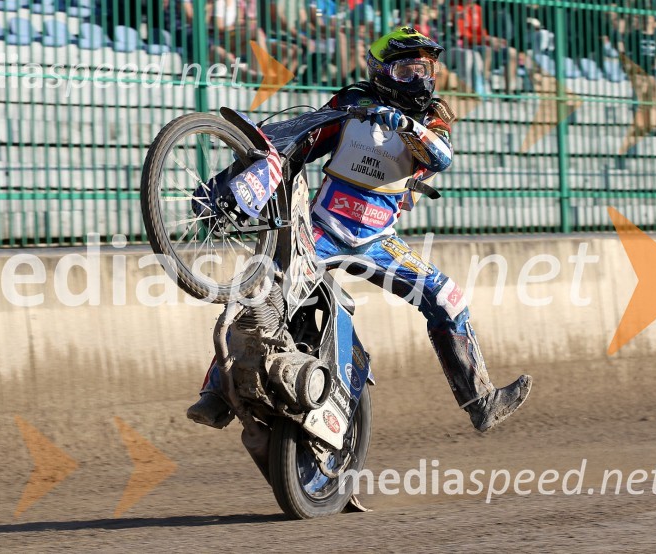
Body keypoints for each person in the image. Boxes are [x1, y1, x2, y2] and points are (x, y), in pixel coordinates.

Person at [187, 27, 533, 434]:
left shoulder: (435, 116)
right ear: (381, 72)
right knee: (262, 292)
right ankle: (215, 395)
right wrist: (236, 184)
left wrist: (406, 125)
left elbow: (440, 156)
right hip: (322, 229)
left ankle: (481, 400)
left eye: (424, 68)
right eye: (406, 70)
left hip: (379, 240)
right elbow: (302, 141)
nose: (418, 78)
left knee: (447, 297)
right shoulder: (351, 102)